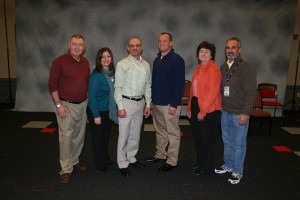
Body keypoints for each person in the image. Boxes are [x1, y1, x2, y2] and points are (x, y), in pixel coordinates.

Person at [48, 34, 90, 184]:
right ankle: (65, 169)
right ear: (69, 45)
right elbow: (52, 84)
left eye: (80, 45)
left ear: (84, 47)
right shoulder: (59, 62)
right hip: (66, 105)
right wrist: (58, 105)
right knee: (66, 137)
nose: (77, 47)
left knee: (79, 136)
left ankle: (74, 160)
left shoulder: (85, 62)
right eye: (74, 44)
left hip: (82, 104)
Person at [215, 37, 257, 184]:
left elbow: (251, 92)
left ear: (239, 49)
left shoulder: (247, 68)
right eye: (228, 48)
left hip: (240, 113)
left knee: (239, 144)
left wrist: (246, 113)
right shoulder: (223, 67)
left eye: (233, 47)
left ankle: (237, 171)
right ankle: (228, 165)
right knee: (227, 141)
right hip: (225, 112)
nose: (230, 50)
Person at [147, 32, 185, 172]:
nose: (162, 43)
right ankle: (161, 154)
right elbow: (154, 82)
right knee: (160, 130)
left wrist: (174, 104)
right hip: (157, 103)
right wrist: (151, 100)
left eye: (165, 41)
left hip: (170, 104)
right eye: (160, 41)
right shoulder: (157, 60)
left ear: (171, 43)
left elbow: (180, 84)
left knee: (172, 133)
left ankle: (172, 160)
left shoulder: (177, 60)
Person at [114, 37, 152, 178]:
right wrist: (120, 106)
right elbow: (117, 87)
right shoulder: (122, 64)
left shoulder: (146, 65)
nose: (135, 48)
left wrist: (148, 104)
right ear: (128, 48)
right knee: (123, 134)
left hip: (140, 102)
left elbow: (148, 86)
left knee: (135, 133)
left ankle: (131, 157)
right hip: (126, 102)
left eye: (137, 45)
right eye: (132, 46)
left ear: (141, 47)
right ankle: (122, 162)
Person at [186, 41, 222, 175]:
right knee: (198, 137)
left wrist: (203, 111)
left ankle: (207, 167)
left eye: (207, 52)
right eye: (201, 51)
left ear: (212, 55)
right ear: (197, 54)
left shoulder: (214, 69)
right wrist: (190, 107)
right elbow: (193, 91)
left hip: (210, 109)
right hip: (197, 105)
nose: (204, 54)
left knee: (208, 139)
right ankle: (200, 162)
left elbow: (213, 92)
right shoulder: (198, 68)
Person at [86, 47, 118, 173]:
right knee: (98, 138)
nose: (106, 59)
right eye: (103, 57)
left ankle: (105, 158)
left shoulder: (112, 73)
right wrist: (96, 115)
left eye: (108, 56)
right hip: (97, 111)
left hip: (108, 111)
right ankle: (99, 163)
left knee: (106, 137)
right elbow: (92, 97)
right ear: (99, 59)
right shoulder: (96, 76)